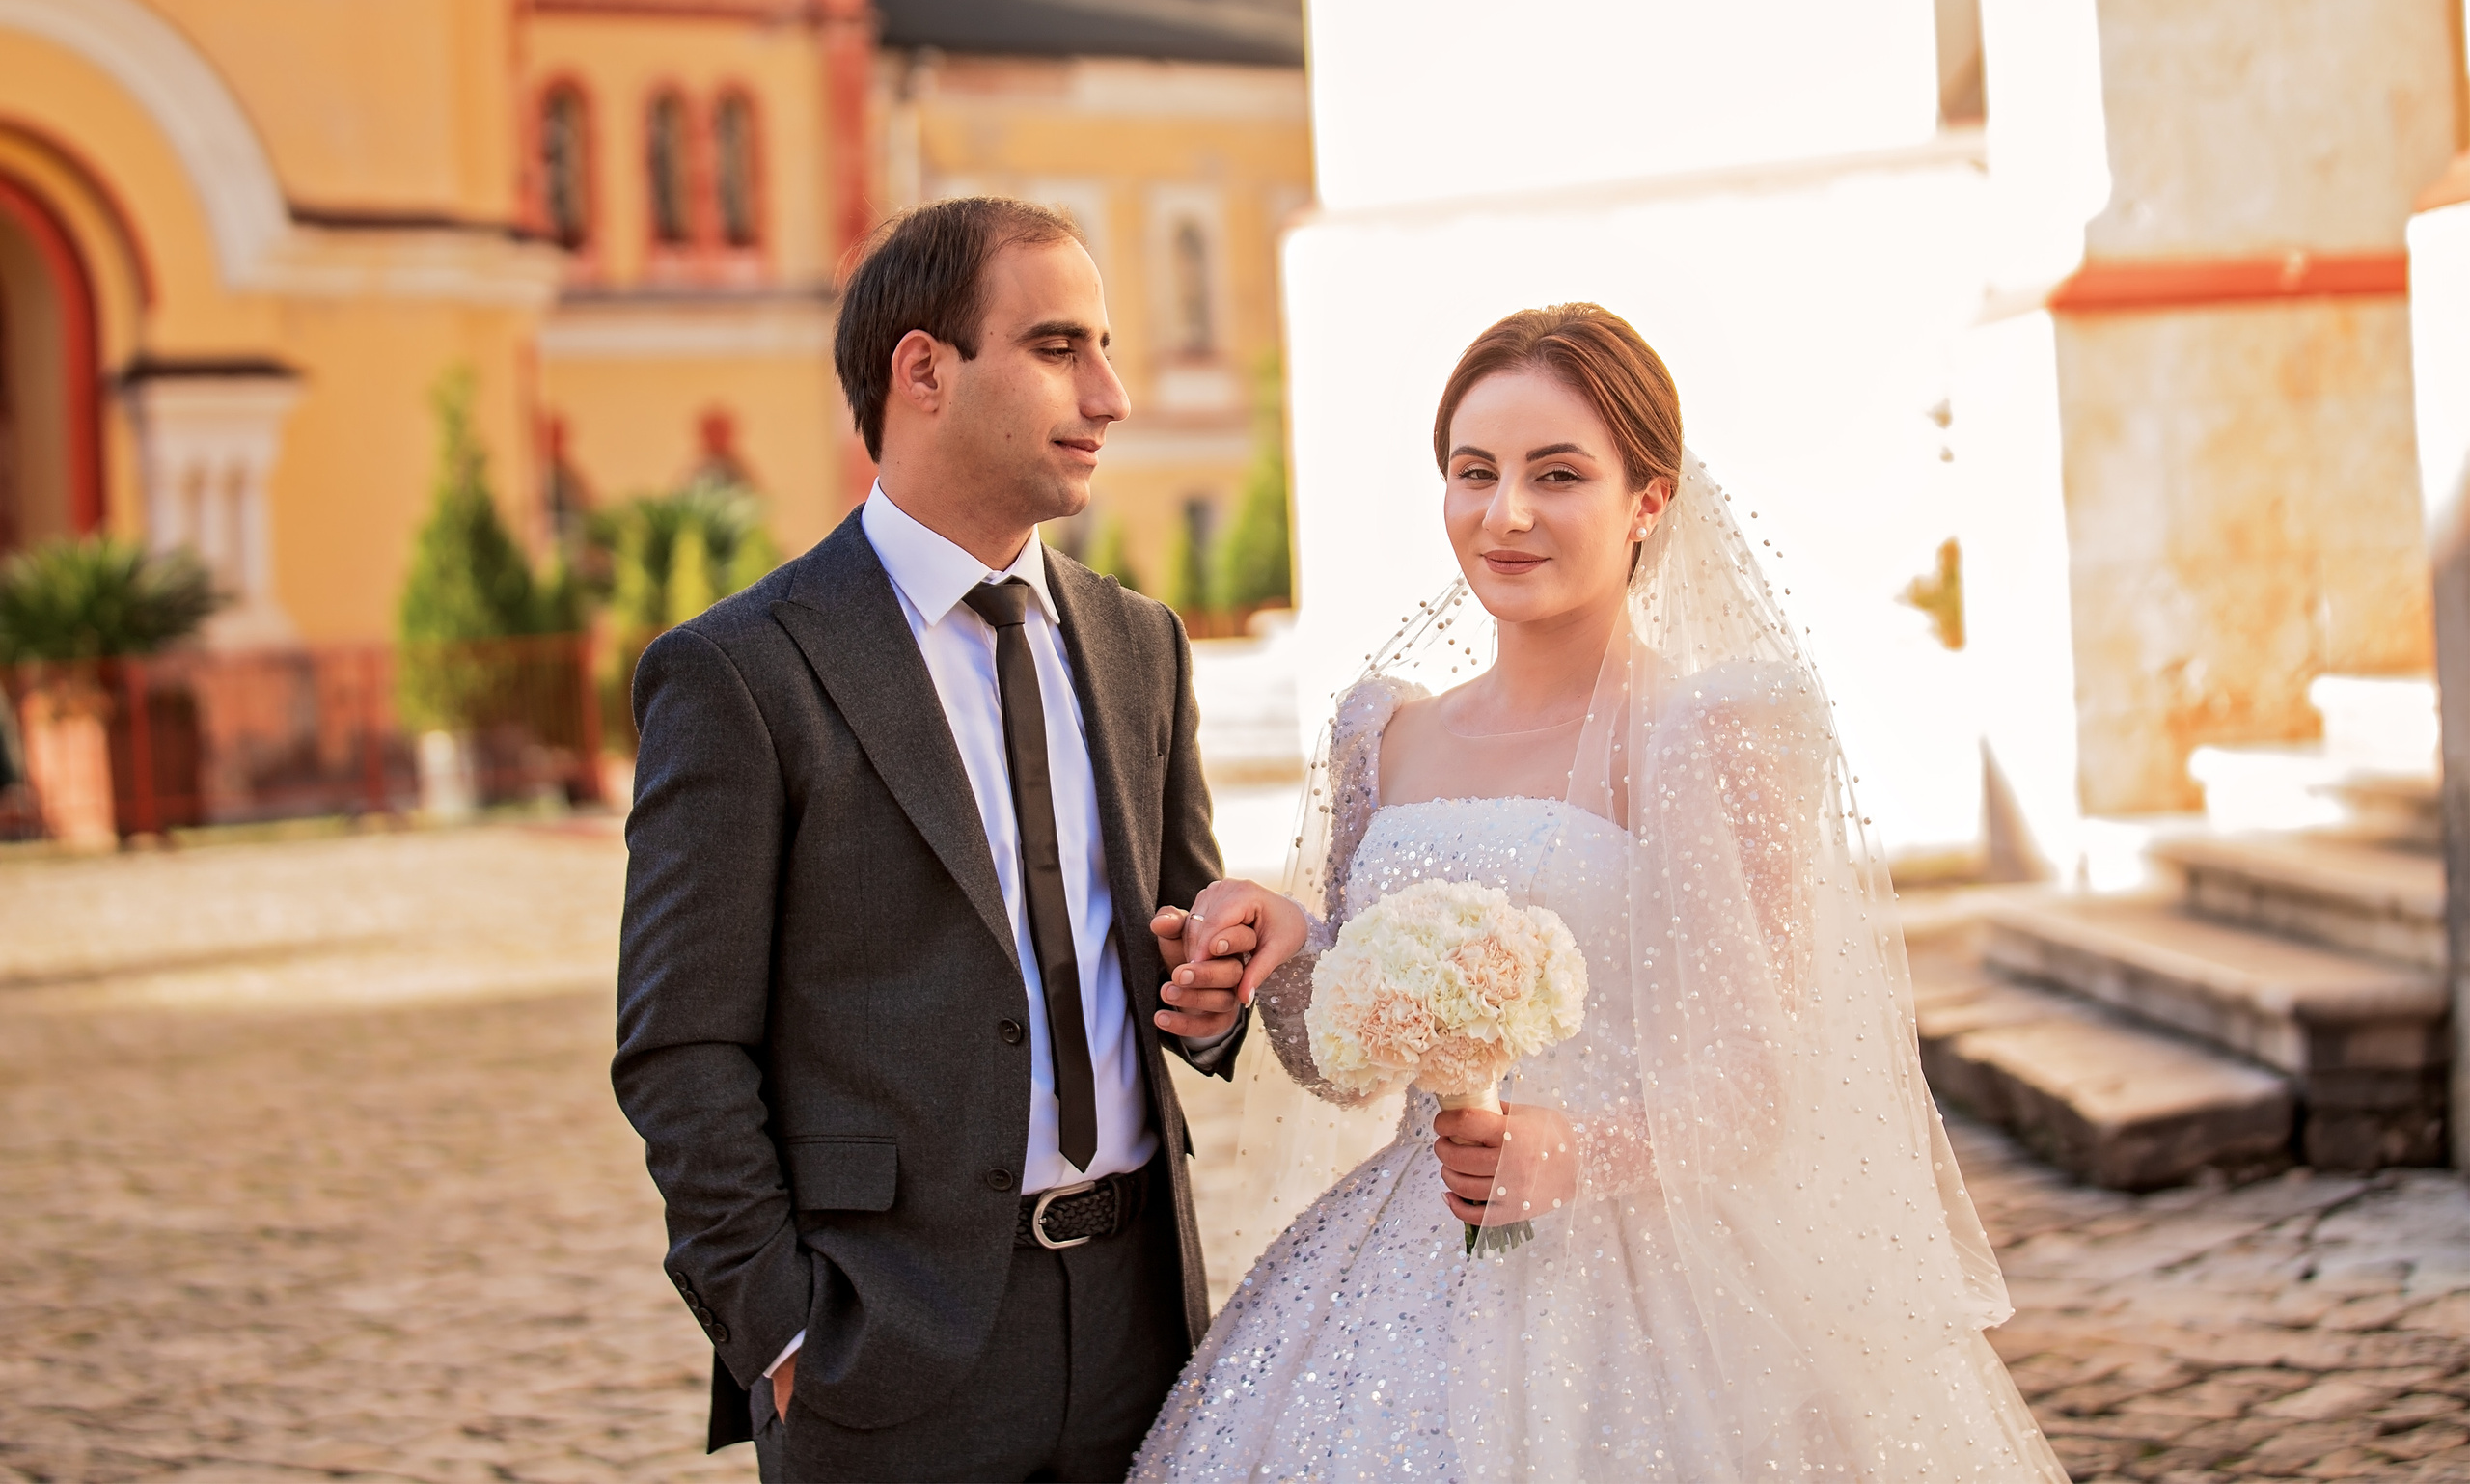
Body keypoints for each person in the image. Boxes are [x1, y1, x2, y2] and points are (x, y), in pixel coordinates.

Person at [1134, 303, 2070, 1480]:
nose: (1504, 513)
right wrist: (1286, 947)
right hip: (1403, 1252)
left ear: (1647, 502)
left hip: (1656, 1282)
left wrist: (1572, 1153)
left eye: (1556, 474)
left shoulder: (1709, 735)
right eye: (1473, 472)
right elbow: (1347, 1063)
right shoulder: (1385, 736)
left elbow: (1756, 1086)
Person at [613, 197, 1255, 1482]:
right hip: (886, 1345)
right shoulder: (742, 671)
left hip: (1142, 1318)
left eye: (1107, 345)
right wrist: (785, 1332)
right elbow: (681, 1044)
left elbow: (1189, 955)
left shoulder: (1142, 644)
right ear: (923, 370)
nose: (1113, 393)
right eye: (1061, 347)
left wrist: (1213, 981)